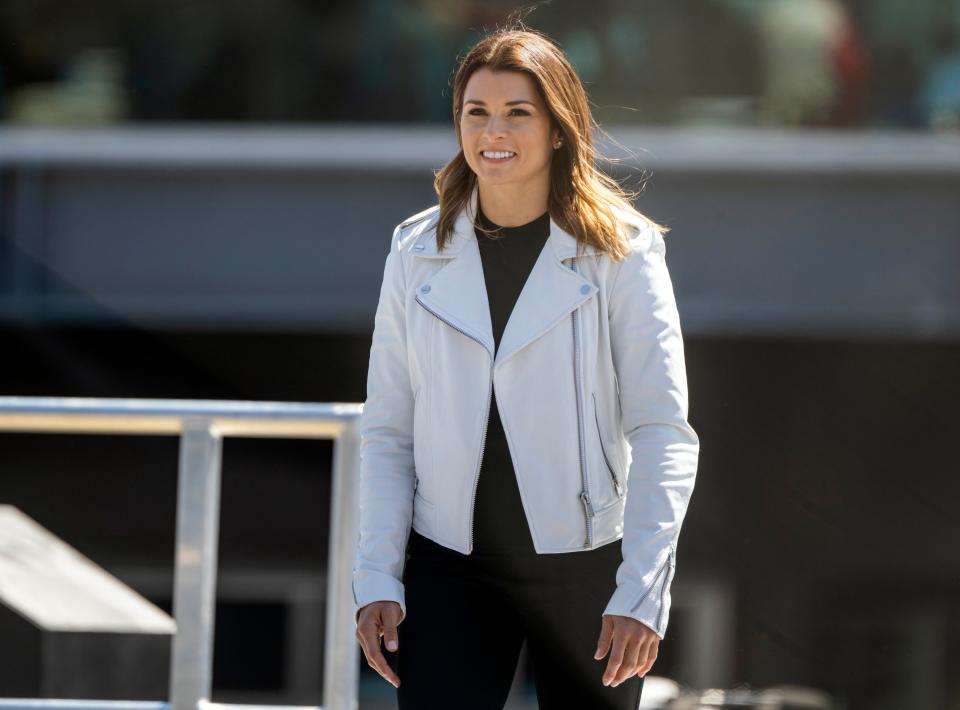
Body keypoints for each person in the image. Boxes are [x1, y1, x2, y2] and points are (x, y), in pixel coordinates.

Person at [352, 22, 700, 710]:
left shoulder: (623, 252)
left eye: (518, 112)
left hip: (587, 568)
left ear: (558, 126)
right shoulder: (414, 249)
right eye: (476, 112)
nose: (493, 131)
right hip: (448, 567)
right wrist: (378, 580)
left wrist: (641, 591)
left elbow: (663, 431)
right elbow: (388, 429)